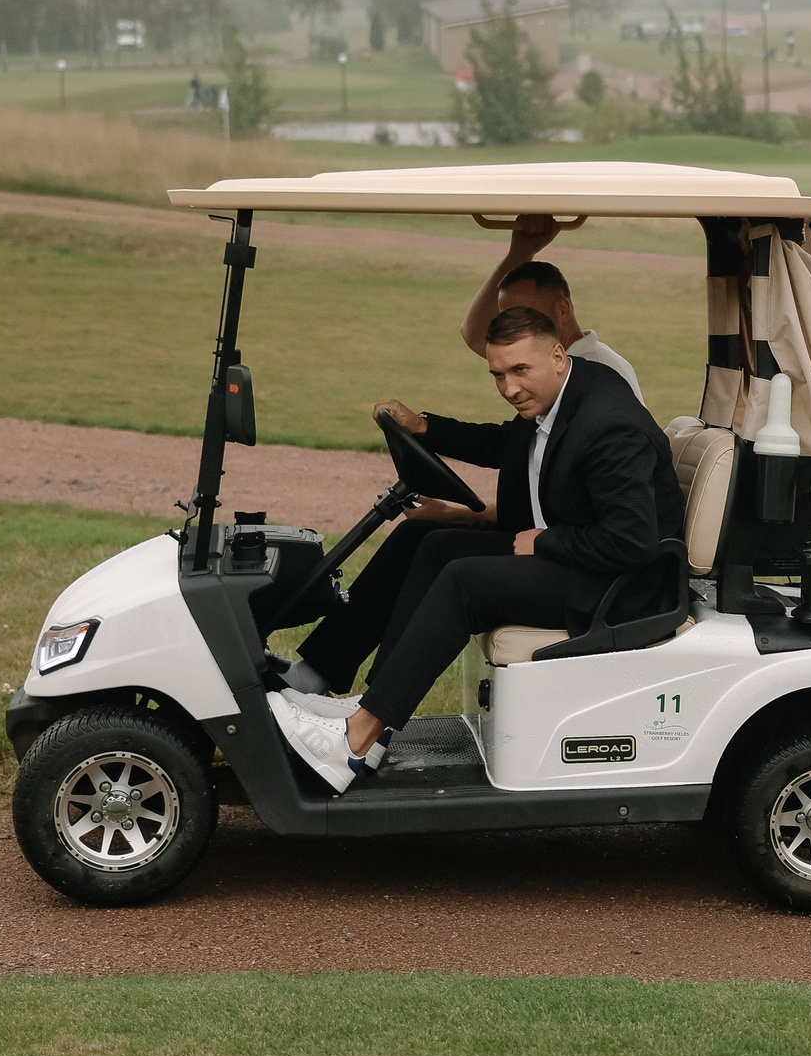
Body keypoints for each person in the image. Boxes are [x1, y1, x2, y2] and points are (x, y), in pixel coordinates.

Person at [268, 305, 684, 790]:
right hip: (584, 556)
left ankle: (354, 742)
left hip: (618, 587)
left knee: (464, 581)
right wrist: (425, 427)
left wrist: (548, 539)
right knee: (426, 540)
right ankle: (332, 682)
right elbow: (507, 444)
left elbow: (633, 542)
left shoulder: (610, 425)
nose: (509, 389)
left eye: (519, 371)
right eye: (498, 375)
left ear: (556, 354)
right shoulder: (559, 393)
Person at [461, 214, 641, 401]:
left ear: (562, 309)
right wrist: (520, 251)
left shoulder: (596, 371)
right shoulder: (546, 360)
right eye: (508, 318)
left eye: (527, 317)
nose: (514, 328)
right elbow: (476, 335)